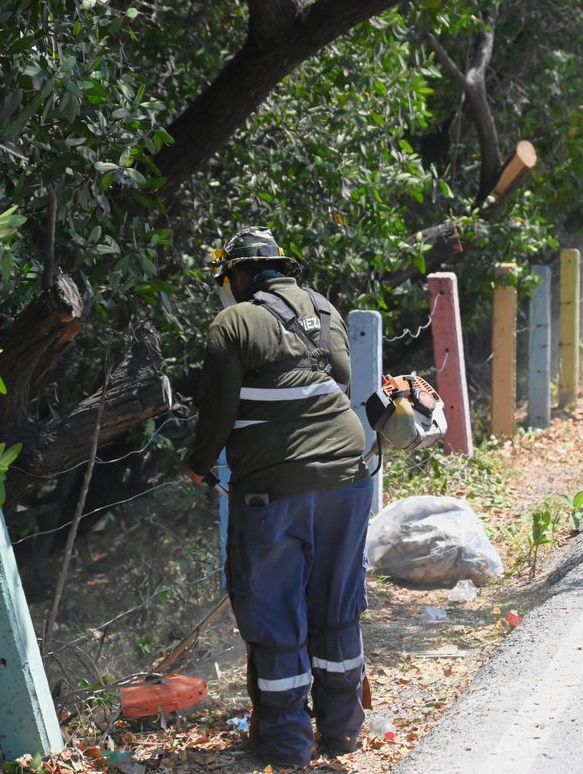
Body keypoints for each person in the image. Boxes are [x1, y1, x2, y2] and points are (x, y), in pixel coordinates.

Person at [181, 226, 371, 768]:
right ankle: (343, 732)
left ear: (236, 274)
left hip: (274, 489)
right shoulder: (323, 307)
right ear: (282, 268)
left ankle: (288, 746)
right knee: (336, 605)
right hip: (346, 476)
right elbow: (342, 377)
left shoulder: (234, 322)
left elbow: (217, 411)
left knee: (275, 610)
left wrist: (197, 464)